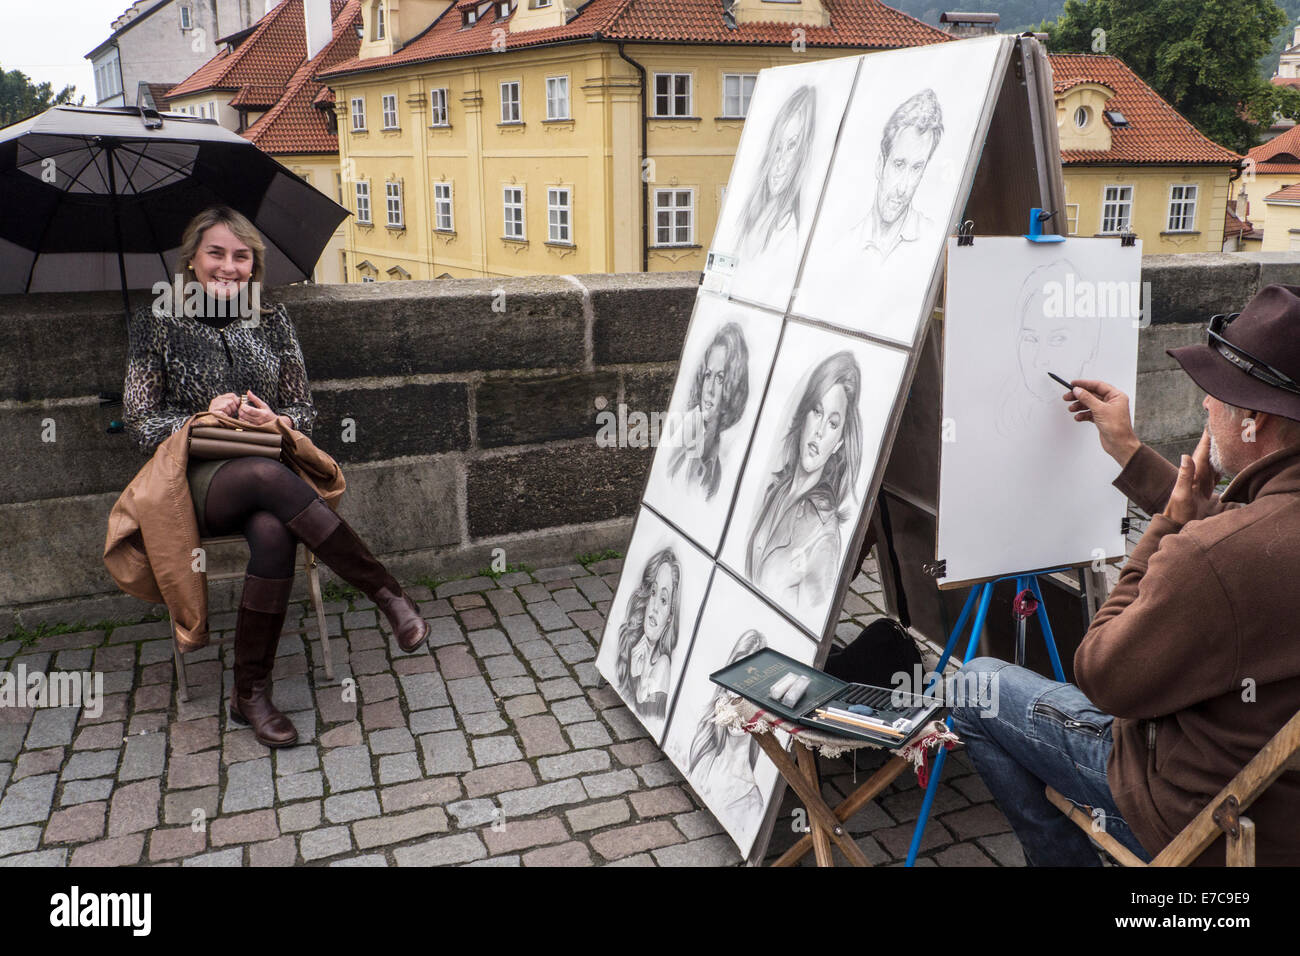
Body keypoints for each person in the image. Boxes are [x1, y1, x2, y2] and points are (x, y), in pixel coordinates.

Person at [951, 283, 1300, 866]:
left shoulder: (1217, 558)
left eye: (1213, 396)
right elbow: (1249, 538)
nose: (1204, 410)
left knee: (973, 687)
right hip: (1282, 804)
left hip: (1211, 820)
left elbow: (1102, 676)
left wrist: (1166, 526)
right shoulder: (1258, 538)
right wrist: (1131, 452)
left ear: (1254, 421)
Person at [122, 205, 429, 748]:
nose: (229, 266)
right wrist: (202, 417)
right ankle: (384, 591)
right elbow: (143, 423)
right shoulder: (157, 321)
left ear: (253, 265)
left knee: (271, 529)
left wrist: (277, 418)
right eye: (216, 253)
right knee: (266, 479)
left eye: (241, 256)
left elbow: (304, 409)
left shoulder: (272, 318)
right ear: (192, 260)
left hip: (265, 465)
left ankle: (250, 693)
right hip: (189, 481)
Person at [747, 351, 862, 611]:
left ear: (839, 444)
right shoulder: (775, 491)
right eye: (817, 411)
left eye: (833, 424)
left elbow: (807, 629)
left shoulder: (824, 534)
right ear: (804, 415)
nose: (820, 431)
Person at [847, 88, 943, 268]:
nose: (903, 188)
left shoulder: (934, 240)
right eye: (899, 165)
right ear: (879, 164)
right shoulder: (846, 245)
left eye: (916, 168)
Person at [687, 630, 767, 826]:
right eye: (736, 683)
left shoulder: (751, 802)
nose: (739, 700)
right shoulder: (704, 756)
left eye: (751, 687)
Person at [665, 322, 749, 500]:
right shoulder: (679, 442)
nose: (709, 389)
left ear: (733, 390)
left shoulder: (716, 473)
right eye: (708, 375)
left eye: (720, 378)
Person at [612, 548, 681, 719]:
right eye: (653, 593)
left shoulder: (663, 664)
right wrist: (634, 674)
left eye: (664, 600)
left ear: (670, 617)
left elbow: (650, 718)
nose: (655, 606)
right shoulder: (636, 649)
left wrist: (637, 679)